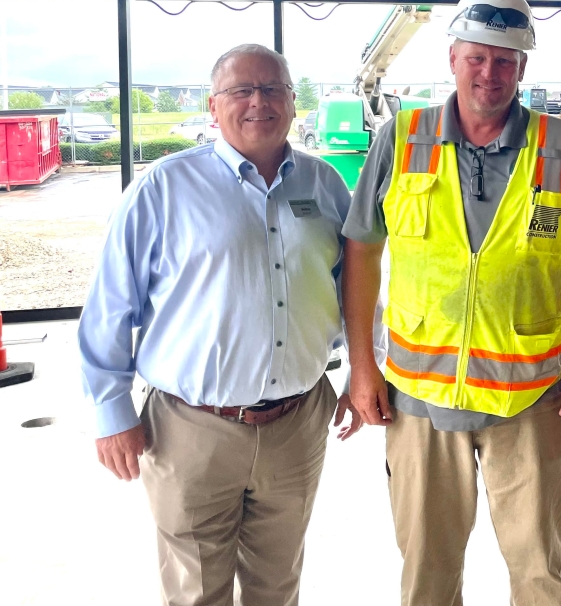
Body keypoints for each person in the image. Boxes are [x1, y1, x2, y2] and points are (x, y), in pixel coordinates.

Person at [342, 0, 561, 606]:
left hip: (531, 403)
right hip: (419, 401)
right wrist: (362, 366)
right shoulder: (401, 137)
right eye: (477, 57)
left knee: (540, 572)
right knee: (427, 575)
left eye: (504, 60)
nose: (489, 73)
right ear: (452, 59)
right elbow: (360, 249)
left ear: (523, 67)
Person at [79, 43, 365, 606]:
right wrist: (109, 410)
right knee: (195, 592)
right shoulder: (164, 188)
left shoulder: (324, 182)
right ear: (214, 106)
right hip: (192, 429)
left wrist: (363, 369)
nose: (258, 101)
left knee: (277, 585)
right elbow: (112, 305)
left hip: (298, 421)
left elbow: (354, 290)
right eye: (241, 90)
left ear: (291, 101)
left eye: (273, 89)